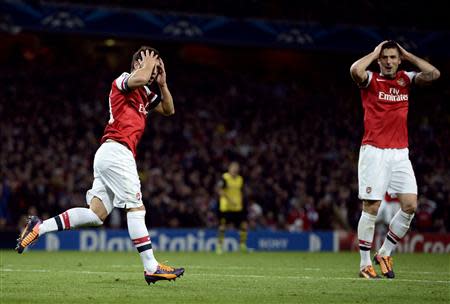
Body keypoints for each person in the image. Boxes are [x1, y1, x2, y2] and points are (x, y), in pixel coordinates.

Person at [15, 46, 185, 285]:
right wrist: (148, 65)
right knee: (136, 208)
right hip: (117, 151)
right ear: (139, 63)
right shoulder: (124, 80)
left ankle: (39, 227)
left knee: (95, 215)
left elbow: (169, 109)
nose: (156, 70)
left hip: (111, 154)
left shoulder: (146, 93)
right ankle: (151, 267)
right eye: (154, 65)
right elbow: (140, 76)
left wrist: (164, 84)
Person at [350, 40, 440, 279]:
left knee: (410, 205)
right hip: (374, 151)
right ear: (380, 59)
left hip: (400, 153)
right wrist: (374, 52)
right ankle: (364, 264)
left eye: (393, 57)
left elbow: (434, 74)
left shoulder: (405, 80)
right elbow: (355, 71)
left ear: (398, 60)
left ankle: (385, 253)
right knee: (372, 207)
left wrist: (408, 54)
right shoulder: (371, 80)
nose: (389, 61)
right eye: (385, 57)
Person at [216, 161, 247, 253]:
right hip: (226, 207)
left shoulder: (240, 179)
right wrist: (229, 200)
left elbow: (240, 192)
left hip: (237, 207)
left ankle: (242, 245)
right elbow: (219, 190)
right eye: (233, 168)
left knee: (244, 225)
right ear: (229, 168)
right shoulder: (225, 178)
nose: (235, 169)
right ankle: (219, 246)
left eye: (237, 168)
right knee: (222, 227)